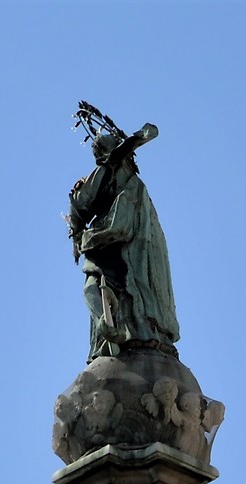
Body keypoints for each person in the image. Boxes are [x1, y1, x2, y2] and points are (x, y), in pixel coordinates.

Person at [69, 108, 180, 356]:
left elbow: (151, 131)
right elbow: (80, 206)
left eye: (103, 147)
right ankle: (108, 328)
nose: (100, 152)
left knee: (130, 286)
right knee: (92, 288)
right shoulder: (101, 174)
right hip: (105, 238)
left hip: (126, 234)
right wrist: (77, 235)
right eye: (98, 149)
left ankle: (132, 330)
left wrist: (134, 139)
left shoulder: (129, 182)